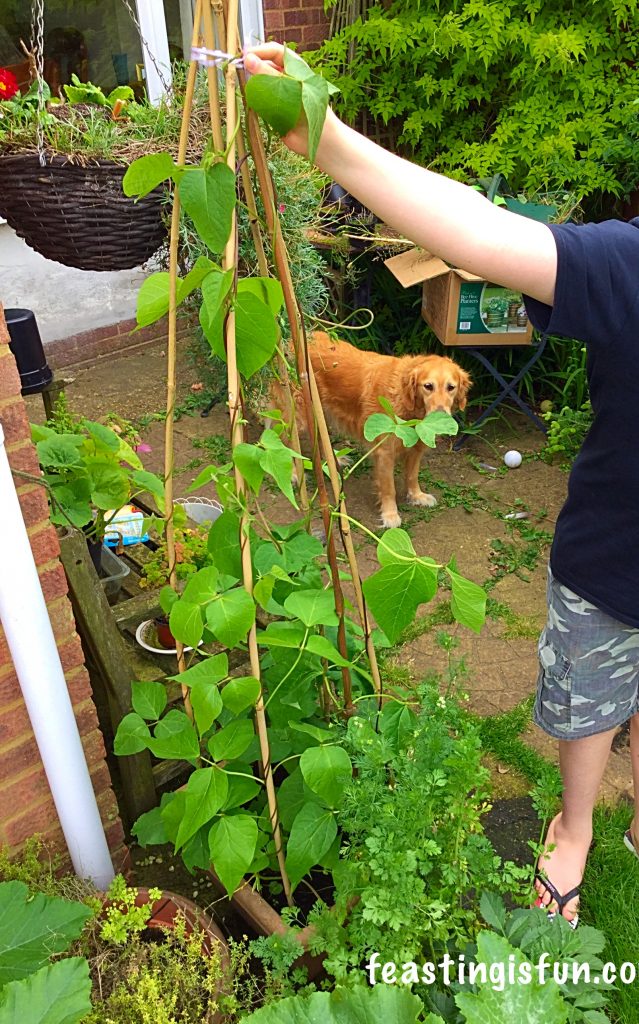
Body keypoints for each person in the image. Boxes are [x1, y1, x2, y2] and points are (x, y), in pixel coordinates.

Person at [244, 43, 639, 928]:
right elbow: (473, 226)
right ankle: (572, 830)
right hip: (613, 563)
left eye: (446, 389)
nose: (444, 396)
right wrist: (322, 131)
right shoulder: (630, 266)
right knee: (590, 704)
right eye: (441, 387)